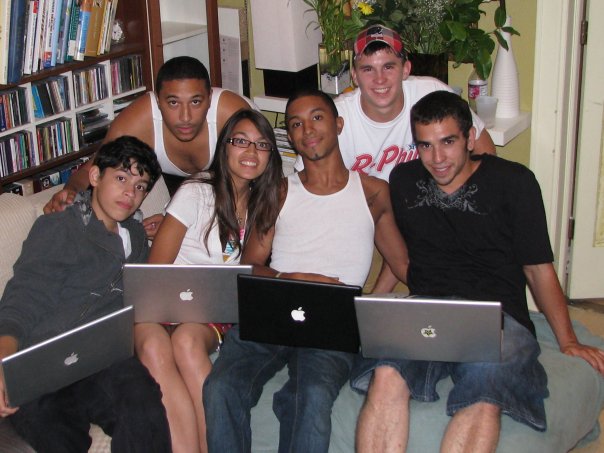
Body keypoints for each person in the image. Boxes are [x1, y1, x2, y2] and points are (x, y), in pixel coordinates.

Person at [353, 91, 604, 453]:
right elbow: (401, 257)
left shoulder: (514, 183)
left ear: (470, 138)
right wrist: (375, 308)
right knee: (386, 373)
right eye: (425, 146)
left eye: (448, 142)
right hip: (428, 311)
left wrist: (568, 340)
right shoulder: (403, 180)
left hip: (497, 316)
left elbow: (537, 269)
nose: (437, 158)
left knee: (486, 388)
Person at [203, 89, 409, 453]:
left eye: (317, 117)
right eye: (296, 124)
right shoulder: (280, 192)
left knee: (309, 395)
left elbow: (400, 263)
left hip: (333, 323)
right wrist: (290, 279)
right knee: (222, 386)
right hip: (273, 310)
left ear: (338, 124)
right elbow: (249, 265)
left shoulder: (373, 191)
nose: (307, 130)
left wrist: (366, 307)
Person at [0, 136, 171, 452]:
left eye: (140, 186)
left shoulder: (135, 236)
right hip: (46, 358)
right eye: (121, 178)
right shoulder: (59, 227)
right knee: (52, 426)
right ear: (95, 176)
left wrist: (167, 234)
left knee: (143, 402)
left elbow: (151, 292)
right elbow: (24, 296)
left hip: (103, 356)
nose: (130, 193)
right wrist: (4, 361)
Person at [134, 109, 283, 453]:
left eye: (262, 145)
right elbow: (156, 271)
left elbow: (249, 270)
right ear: (224, 146)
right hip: (163, 304)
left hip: (212, 313)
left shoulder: (264, 203)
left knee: (187, 341)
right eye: (241, 141)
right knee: (158, 345)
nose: (251, 151)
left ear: (270, 155)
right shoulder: (196, 192)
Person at [44, 56, 254, 237]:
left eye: (195, 102)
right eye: (173, 103)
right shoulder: (140, 119)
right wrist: (69, 192)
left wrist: (179, 222)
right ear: (158, 101)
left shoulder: (232, 116)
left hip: (241, 186)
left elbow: (256, 188)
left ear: (209, 98)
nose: (185, 117)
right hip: (182, 188)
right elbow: (94, 167)